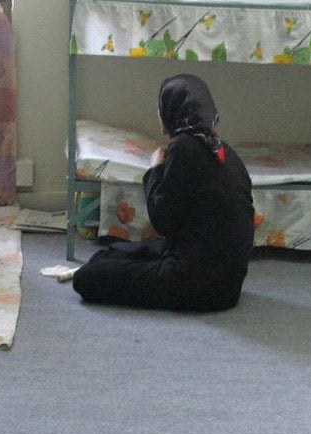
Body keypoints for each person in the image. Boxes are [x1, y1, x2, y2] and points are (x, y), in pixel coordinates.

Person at [72, 73, 254, 311]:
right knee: (110, 253)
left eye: (160, 107)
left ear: (172, 110)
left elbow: (162, 221)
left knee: (87, 277)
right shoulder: (222, 149)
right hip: (227, 284)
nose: (158, 114)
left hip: (199, 284)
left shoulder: (184, 147)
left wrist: (155, 169)